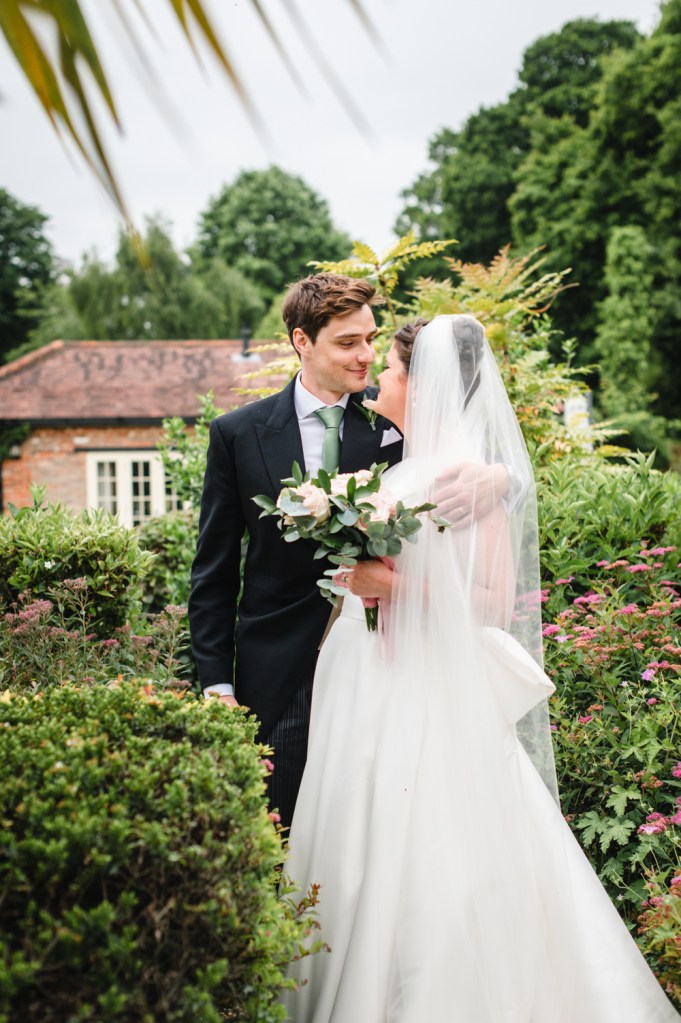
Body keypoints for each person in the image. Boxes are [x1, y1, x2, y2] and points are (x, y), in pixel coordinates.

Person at [282, 315, 680, 1022]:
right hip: (367, 685)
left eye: (393, 370)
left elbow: (490, 601)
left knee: (431, 852)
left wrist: (386, 586)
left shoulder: (464, 479)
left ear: (424, 384)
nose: (378, 378)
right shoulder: (398, 468)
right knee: (359, 843)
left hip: (423, 694)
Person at [188, 276, 510, 832]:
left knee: (369, 830)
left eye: (370, 340)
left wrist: (501, 477)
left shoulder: (396, 418)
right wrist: (217, 683)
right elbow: (213, 573)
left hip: (384, 667)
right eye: (346, 342)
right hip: (278, 672)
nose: (364, 356)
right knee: (278, 832)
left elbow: (466, 457)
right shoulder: (239, 435)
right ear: (302, 341)